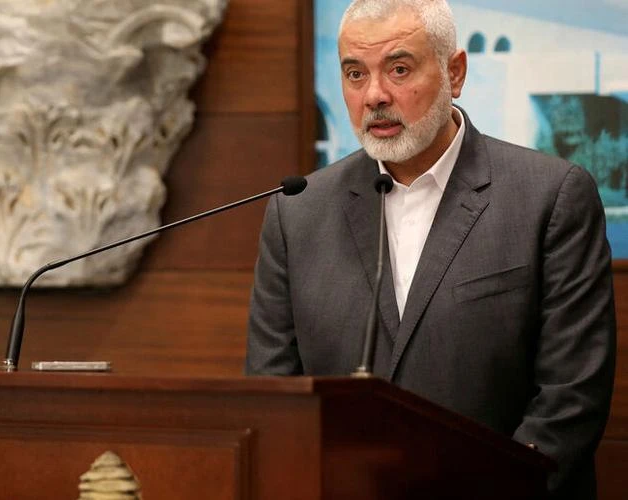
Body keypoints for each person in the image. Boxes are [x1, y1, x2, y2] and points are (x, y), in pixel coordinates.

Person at [245, 0, 616, 498]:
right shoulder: (298, 212)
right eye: (355, 74)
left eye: (399, 69)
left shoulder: (550, 196)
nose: (375, 95)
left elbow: (570, 399)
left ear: (454, 72)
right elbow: (272, 394)